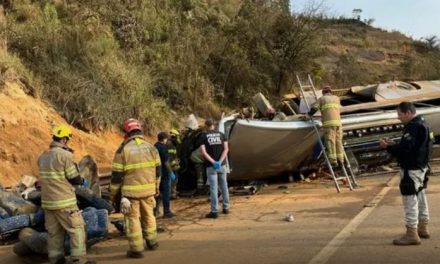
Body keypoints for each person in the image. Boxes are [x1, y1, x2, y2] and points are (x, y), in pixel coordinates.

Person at [38, 124, 95, 264]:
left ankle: (56, 259)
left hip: (48, 202)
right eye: (67, 139)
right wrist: (81, 180)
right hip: (64, 202)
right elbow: (73, 178)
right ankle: (79, 260)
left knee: (54, 233)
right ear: (63, 139)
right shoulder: (65, 155)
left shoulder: (43, 156)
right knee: (77, 230)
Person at [380, 102, 434, 246]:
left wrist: (388, 147)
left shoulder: (413, 127)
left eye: (400, 114)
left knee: (410, 201)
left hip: (411, 169)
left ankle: (412, 233)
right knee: (421, 197)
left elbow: (406, 151)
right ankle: (423, 227)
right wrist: (395, 144)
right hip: (421, 167)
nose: (398, 117)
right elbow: (417, 146)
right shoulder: (424, 123)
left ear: (408, 113)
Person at [110, 118, 161, 258]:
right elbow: (158, 170)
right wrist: (156, 186)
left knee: (132, 220)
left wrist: (113, 193)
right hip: (149, 191)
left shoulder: (123, 150)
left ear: (126, 133)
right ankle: (152, 242)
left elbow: (117, 176)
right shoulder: (152, 147)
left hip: (131, 193)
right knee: (149, 216)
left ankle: (136, 249)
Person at [200, 119, 230, 219]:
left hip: (211, 166)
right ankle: (226, 208)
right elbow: (226, 149)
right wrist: (220, 161)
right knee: (224, 186)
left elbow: (203, 152)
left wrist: (213, 162)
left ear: (206, 126)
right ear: (214, 125)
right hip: (222, 165)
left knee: (213, 188)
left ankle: (214, 211)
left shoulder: (203, 136)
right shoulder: (222, 135)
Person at [309, 86, 344, 167]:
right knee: (338, 141)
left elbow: (314, 109)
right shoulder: (336, 98)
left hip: (329, 124)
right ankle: (341, 160)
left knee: (331, 141)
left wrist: (308, 115)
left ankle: (333, 161)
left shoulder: (322, 99)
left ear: (323, 92)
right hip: (338, 123)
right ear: (330, 92)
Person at [154, 131, 176, 218]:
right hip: (164, 173)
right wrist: (171, 172)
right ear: (164, 139)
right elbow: (166, 162)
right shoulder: (164, 147)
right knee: (166, 192)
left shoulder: (155, 146)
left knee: (157, 192)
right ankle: (166, 212)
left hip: (156, 173)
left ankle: (155, 211)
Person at [167, 129, 181, 199]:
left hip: (174, 166)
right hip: (170, 167)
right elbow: (169, 158)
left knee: (175, 181)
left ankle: (173, 193)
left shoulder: (175, 145)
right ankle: (171, 194)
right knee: (171, 181)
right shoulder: (169, 145)